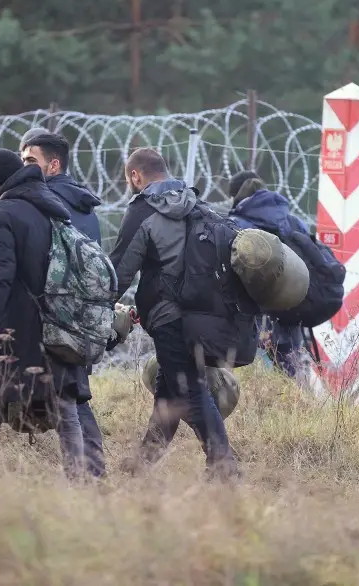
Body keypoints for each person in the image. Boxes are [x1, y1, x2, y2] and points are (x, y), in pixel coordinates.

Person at [111, 148, 248, 479]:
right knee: (170, 387)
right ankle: (144, 460)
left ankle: (223, 464)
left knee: (189, 389)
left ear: (135, 176)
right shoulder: (196, 204)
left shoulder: (143, 209)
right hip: (203, 316)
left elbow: (121, 270)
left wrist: (98, 303)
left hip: (168, 316)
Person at [0, 148, 88, 478]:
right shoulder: (50, 204)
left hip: (19, 321)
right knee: (64, 402)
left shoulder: (2, 212)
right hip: (58, 317)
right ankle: (78, 477)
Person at [20, 129, 106, 478]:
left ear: (53, 165)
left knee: (67, 398)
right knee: (73, 393)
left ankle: (89, 473)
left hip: (53, 314)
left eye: (31, 160)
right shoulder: (85, 205)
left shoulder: (46, 203)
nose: (24, 167)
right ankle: (94, 470)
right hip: (82, 314)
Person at [228, 170, 310, 381]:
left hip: (252, 310)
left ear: (236, 196)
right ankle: (295, 399)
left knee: (248, 375)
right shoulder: (294, 222)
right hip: (290, 307)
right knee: (289, 371)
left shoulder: (236, 224)